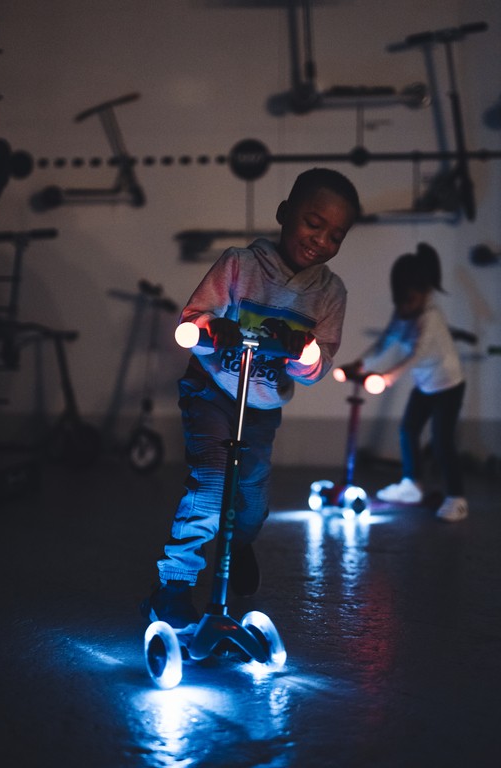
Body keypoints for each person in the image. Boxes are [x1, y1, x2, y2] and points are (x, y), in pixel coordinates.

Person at [140, 167, 361, 628]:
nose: (321, 240)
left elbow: (317, 366)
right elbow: (193, 320)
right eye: (313, 223)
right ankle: (174, 585)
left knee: (253, 505)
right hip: (212, 391)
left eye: (336, 235)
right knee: (211, 483)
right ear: (284, 213)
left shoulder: (330, 293)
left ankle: (238, 543)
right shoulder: (240, 265)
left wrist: (302, 349)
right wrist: (213, 327)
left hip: (261, 407)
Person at [344, 242, 468, 523]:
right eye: (400, 301)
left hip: (448, 385)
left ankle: (457, 498)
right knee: (408, 430)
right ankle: (412, 484)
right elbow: (386, 341)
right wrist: (360, 365)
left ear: (425, 292)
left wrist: (387, 377)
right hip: (425, 384)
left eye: (410, 300)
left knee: (442, 441)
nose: (404, 307)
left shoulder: (431, 317)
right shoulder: (403, 313)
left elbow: (417, 354)